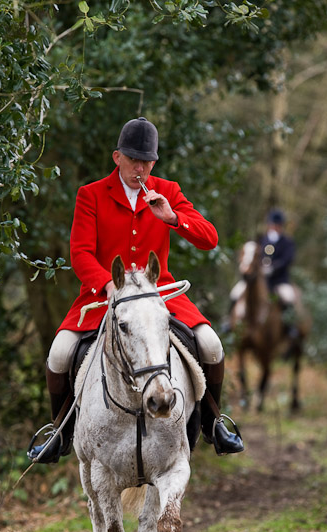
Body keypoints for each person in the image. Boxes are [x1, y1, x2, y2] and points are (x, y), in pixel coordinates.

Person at [28, 117, 244, 463]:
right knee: (59, 352)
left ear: (154, 162)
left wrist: (173, 217)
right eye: (133, 160)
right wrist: (108, 285)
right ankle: (59, 432)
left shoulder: (167, 190)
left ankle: (213, 424)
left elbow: (210, 238)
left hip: (159, 297)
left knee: (211, 344)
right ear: (117, 157)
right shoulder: (91, 194)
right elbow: (80, 253)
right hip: (103, 297)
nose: (139, 169)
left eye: (146, 162)